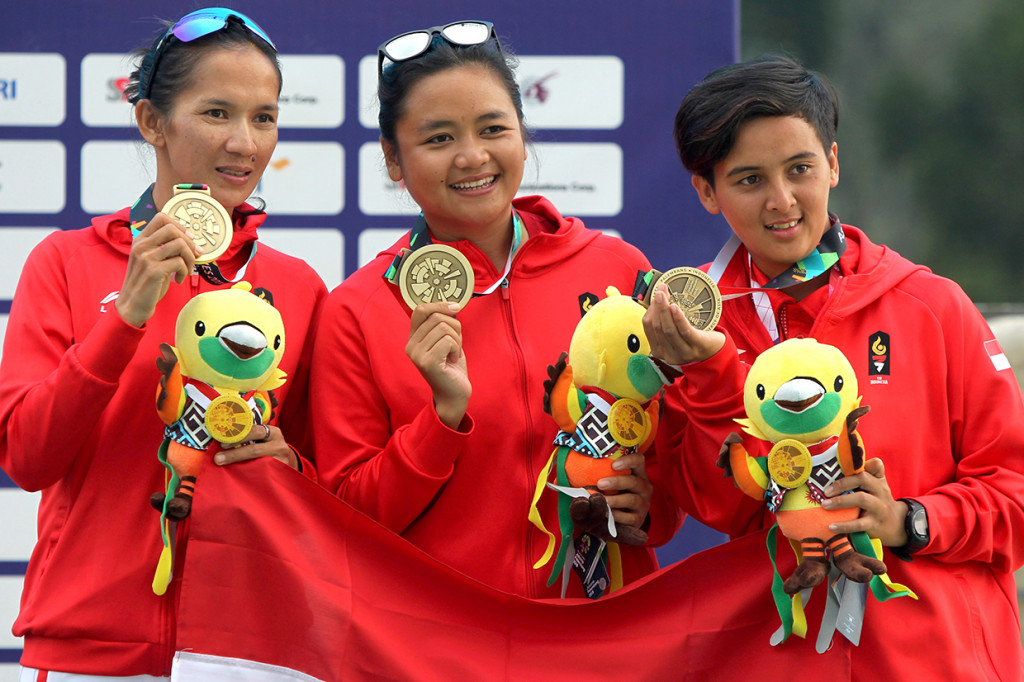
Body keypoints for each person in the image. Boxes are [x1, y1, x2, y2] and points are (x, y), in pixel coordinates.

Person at [642, 54, 1024, 679]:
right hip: (782, 658)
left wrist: (911, 520)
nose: (782, 201)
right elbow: (723, 512)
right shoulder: (695, 332)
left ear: (834, 164)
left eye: (800, 169)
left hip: (934, 661)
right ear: (706, 191)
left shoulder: (931, 307)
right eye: (748, 180)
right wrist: (712, 379)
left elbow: (1015, 493)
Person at [0, 8, 326, 678]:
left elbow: (332, 487)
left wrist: (292, 468)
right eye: (217, 113)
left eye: (263, 117)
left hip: (251, 648)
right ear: (152, 122)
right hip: (97, 647)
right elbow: (29, 457)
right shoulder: (65, 262)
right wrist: (125, 316)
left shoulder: (298, 287)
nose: (245, 142)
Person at [311, 20, 682, 598]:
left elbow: (671, 456)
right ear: (392, 157)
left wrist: (648, 502)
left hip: (600, 634)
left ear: (522, 132)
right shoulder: (358, 310)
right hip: (439, 643)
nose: (472, 156)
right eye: (438, 139)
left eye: (493, 128)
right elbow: (346, 518)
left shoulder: (616, 270)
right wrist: (442, 419)